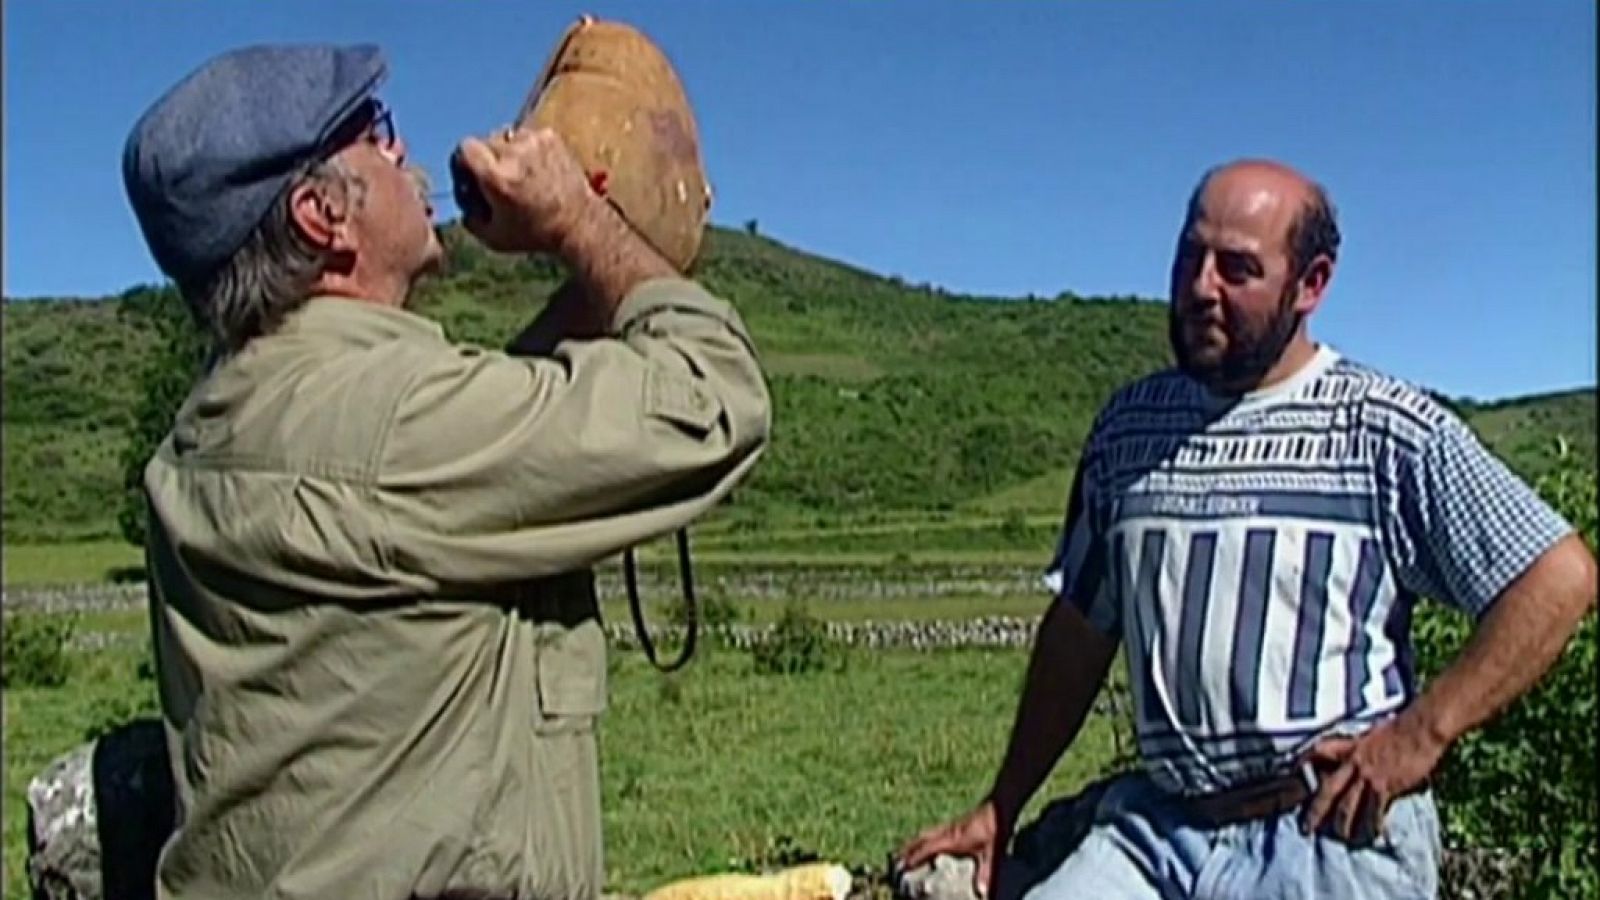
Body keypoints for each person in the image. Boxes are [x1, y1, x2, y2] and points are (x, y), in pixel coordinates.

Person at [121, 43, 770, 899]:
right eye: (376, 136)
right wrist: (579, 223)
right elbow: (716, 398)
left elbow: (468, 471)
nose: (405, 154)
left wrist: (596, 266)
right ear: (321, 215)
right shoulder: (394, 429)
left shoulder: (223, 422)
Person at [896, 159, 1596, 899]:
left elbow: (1557, 575)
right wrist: (1002, 806)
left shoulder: (1383, 430)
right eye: (1189, 256)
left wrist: (1418, 738)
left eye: (1237, 269)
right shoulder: (1130, 430)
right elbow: (1079, 629)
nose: (1201, 288)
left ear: (1311, 283)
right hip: (1158, 830)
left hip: (1325, 838)